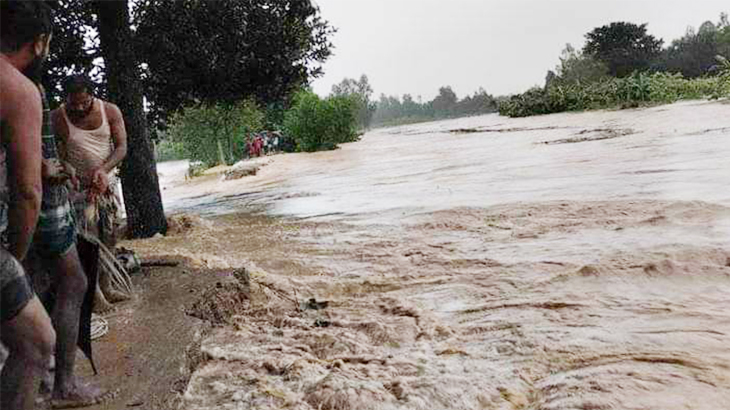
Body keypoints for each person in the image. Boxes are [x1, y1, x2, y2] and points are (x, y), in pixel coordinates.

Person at [0, 2, 56, 409]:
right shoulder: (18, 89)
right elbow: (27, 193)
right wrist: (14, 258)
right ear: (38, 42)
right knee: (38, 342)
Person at [53, 75, 129, 313]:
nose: (78, 108)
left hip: (106, 186)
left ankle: (107, 287)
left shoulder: (110, 111)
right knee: (88, 240)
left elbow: (121, 147)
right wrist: (66, 168)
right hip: (78, 190)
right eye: (72, 103)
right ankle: (95, 296)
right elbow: (54, 154)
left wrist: (103, 170)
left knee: (110, 237)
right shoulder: (57, 117)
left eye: (83, 103)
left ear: (92, 95)